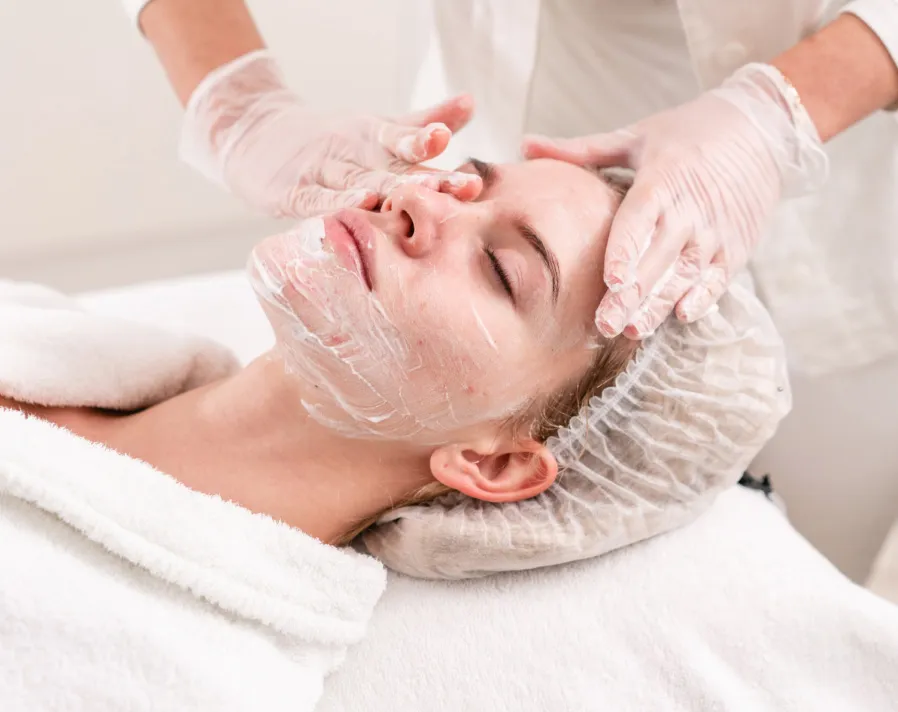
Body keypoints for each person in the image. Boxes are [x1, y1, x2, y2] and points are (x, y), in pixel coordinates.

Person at [118, 0, 898, 580]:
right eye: (459, 180)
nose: (414, 197)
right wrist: (236, 99)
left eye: (503, 271)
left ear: (495, 465)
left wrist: (775, 114)